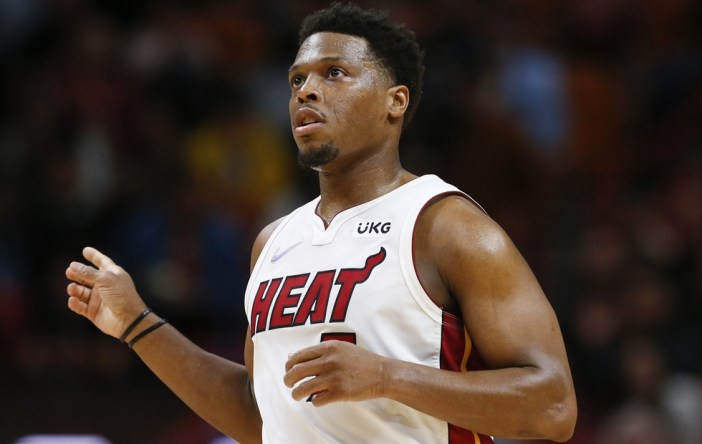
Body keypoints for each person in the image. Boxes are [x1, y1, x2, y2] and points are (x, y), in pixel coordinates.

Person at [65, 3, 577, 443]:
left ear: (395, 102)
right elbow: (257, 415)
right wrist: (135, 322)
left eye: (334, 73)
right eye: (297, 79)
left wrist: (386, 376)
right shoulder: (273, 241)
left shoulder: (445, 225)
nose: (306, 91)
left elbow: (553, 407)